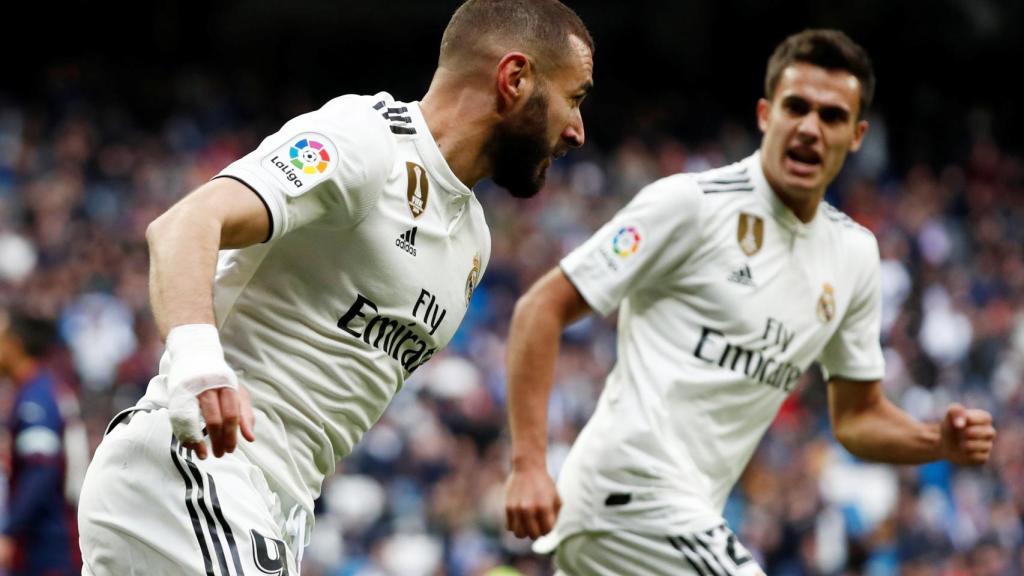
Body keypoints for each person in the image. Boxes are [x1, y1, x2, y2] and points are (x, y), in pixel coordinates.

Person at [77, 1, 594, 574]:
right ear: (515, 77)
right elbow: (184, 225)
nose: (577, 130)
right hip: (196, 469)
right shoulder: (367, 141)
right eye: (574, 98)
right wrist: (199, 365)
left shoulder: (474, 241)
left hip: (273, 505)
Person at [503, 29, 996, 575]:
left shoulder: (854, 254)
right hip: (629, 492)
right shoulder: (690, 206)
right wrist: (528, 463)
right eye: (796, 107)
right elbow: (539, 309)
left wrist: (936, 440)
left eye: (831, 116)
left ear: (856, 136)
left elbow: (857, 417)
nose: (810, 128)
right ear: (766, 114)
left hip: (683, 514)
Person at [0, 310, 82, 576]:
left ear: (15, 345)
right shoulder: (41, 388)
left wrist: (10, 531)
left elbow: (42, 470)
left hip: (47, 542)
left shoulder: (37, 397)